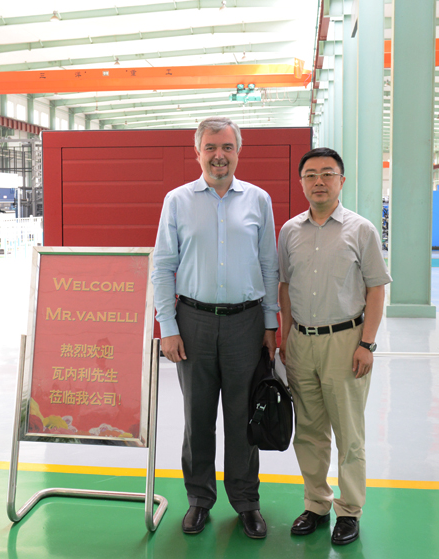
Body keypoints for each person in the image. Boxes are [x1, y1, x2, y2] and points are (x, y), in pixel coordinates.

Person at [151, 116, 279, 539]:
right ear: (198, 152)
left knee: (244, 419)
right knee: (198, 418)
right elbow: (162, 266)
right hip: (193, 324)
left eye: (226, 147)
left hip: (246, 323)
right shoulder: (177, 200)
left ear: (238, 152)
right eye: (211, 147)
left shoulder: (258, 200)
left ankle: (246, 502)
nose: (219, 155)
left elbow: (269, 265)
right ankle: (199, 500)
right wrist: (167, 326)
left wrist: (270, 322)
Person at [277, 147, 391, 546]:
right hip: (301, 343)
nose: (319, 182)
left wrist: (367, 344)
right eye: (310, 175)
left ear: (341, 181)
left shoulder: (361, 230)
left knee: (349, 432)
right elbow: (285, 286)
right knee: (309, 431)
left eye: (327, 174)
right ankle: (316, 504)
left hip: (346, 342)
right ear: (301, 182)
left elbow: (376, 289)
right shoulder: (289, 231)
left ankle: (349, 510)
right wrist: (286, 337)